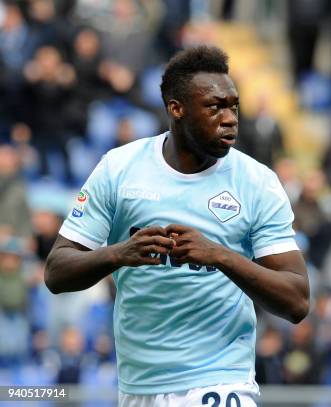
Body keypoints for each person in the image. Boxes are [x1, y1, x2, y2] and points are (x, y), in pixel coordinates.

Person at [44, 45, 309, 406]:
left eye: (233, 106)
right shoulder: (119, 169)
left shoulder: (257, 182)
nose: (230, 118)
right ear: (176, 109)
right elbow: (56, 272)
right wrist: (120, 253)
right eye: (215, 107)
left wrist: (219, 255)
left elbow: (297, 300)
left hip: (221, 381)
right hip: (138, 388)